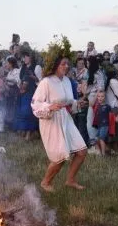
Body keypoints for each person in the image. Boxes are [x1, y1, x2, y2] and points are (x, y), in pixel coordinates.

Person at [31, 37, 87, 192]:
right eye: (63, 63)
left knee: (82, 151)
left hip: (65, 119)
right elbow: (35, 104)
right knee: (60, 157)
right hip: (51, 121)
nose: (66, 66)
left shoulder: (67, 81)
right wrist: (49, 107)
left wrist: (77, 104)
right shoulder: (46, 82)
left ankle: (70, 180)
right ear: (55, 65)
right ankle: (45, 182)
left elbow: (69, 101)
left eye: (68, 63)